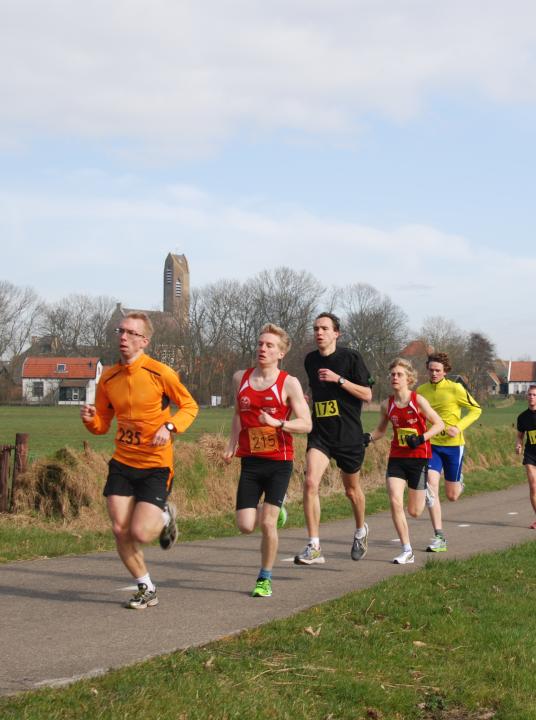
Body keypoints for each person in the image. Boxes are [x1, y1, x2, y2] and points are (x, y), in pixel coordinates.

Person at [81, 312, 198, 609]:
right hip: (122, 461)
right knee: (120, 530)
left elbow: (189, 406)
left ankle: (165, 516)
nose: (123, 337)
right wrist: (91, 420)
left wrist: (169, 426)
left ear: (144, 341)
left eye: (132, 333)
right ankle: (145, 587)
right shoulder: (108, 377)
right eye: (121, 331)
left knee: (140, 533)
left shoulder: (161, 373)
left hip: (156, 464)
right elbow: (103, 424)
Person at [223, 324, 312, 597]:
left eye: (269, 346)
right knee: (245, 525)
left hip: (279, 461)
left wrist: (279, 423)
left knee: (268, 523)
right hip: (250, 460)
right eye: (260, 344)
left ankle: (264, 578)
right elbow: (238, 414)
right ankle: (277, 507)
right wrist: (231, 443)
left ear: (281, 353)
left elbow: (306, 424)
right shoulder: (241, 378)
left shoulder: (289, 383)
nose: (262, 349)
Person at [295, 312, 373, 565]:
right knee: (310, 483)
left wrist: (339, 379)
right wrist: (307, 397)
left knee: (351, 491)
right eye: (316, 328)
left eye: (324, 328)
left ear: (336, 333)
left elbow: (367, 394)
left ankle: (361, 531)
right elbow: (316, 389)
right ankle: (314, 545)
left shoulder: (351, 358)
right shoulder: (310, 360)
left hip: (348, 435)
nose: (319, 332)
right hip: (321, 434)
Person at [365, 359, 444, 564]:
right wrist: (368, 438)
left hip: (418, 458)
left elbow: (439, 424)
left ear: (409, 378)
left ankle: (426, 490)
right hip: (397, 458)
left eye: (399, 374)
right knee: (394, 501)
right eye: (392, 374)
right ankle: (407, 549)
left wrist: (421, 438)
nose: (395, 378)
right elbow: (381, 430)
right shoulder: (386, 405)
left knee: (415, 512)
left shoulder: (418, 401)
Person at [417, 352, 481, 553]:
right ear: (427, 369)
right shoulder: (421, 391)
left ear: (445, 371)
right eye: (431, 370)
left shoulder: (455, 389)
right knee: (430, 486)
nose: (434, 373)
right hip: (432, 445)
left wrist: (459, 426)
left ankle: (458, 480)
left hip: (453, 446)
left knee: (452, 496)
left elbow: (476, 410)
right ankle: (439, 536)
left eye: (438, 370)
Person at [515, 385, 536, 530]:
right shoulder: (522, 417)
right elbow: (520, 436)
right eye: (529, 394)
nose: (531, 397)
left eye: (534, 395)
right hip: (531, 454)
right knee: (534, 487)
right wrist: (518, 445)